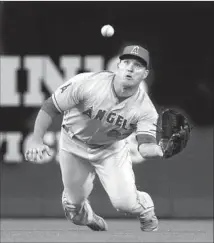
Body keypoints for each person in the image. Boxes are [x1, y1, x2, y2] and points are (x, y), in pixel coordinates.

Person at [25, 45, 164, 232]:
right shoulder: (88, 83)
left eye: (137, 65)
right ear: (118, 65)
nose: (130, 68)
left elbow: (145, 146)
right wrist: (36, 139)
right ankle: (88, 216)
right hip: (72, 144)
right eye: (126, 62)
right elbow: (51, 107)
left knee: (125, 203)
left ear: (145, 73)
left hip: (110, 150)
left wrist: (160, 149)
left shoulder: (145, 109)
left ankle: (145, 208)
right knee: (74, 210)